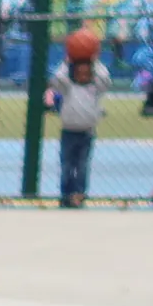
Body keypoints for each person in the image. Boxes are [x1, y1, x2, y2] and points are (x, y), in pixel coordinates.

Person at [51, 25, 109, 207]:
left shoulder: (94, 87)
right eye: (79, 71)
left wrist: (95, 60)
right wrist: (68, 61)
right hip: (69, 131)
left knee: (82, 166)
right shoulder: (68, 86)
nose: (82, 74)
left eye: (86, 71)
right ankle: (66, 194)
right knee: (67, 166)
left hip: (86, 131)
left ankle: (79, 194)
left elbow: (106, 79)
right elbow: (57, 79)